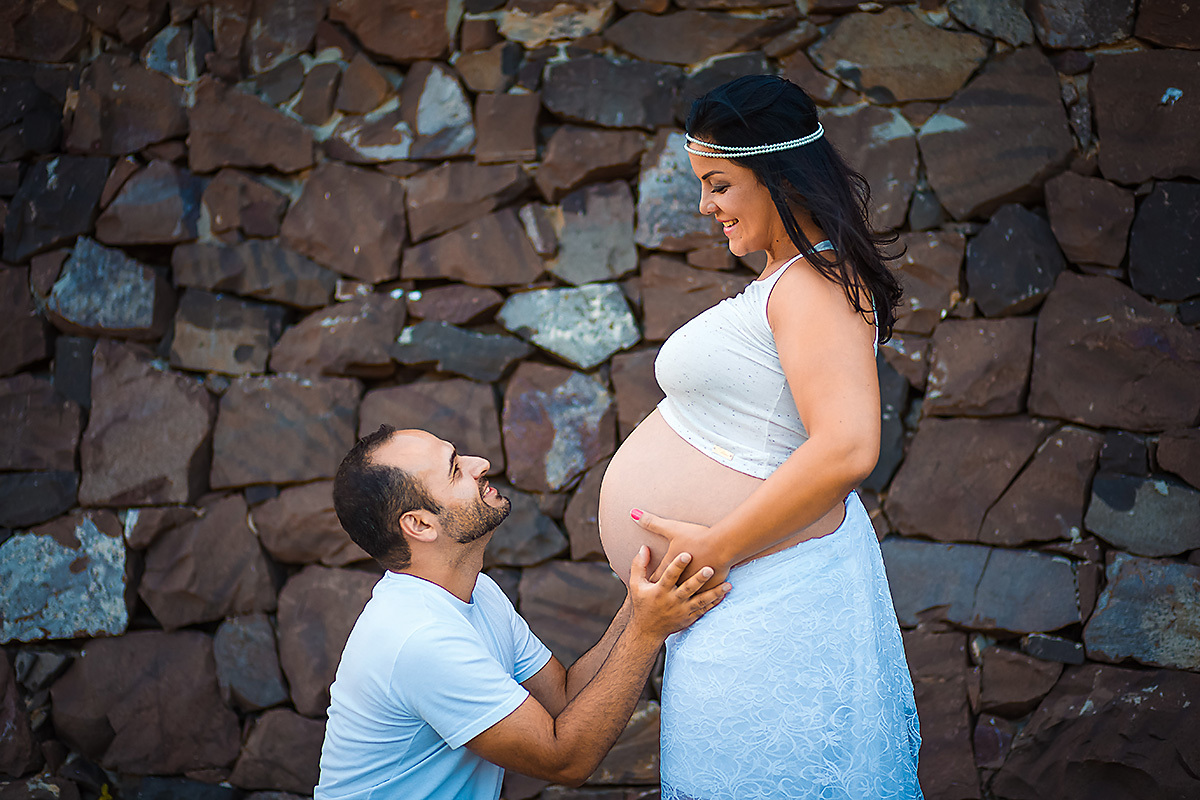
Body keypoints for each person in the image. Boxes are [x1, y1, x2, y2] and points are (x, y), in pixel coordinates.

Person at [596, 75, 923, 799]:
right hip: (746, 600)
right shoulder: (788, 280)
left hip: (771, 596)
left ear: (775, 175)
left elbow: (847, 447)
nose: (705, 206)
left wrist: (714, 548)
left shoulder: (810, 283)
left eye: (719, 183)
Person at [314, 425, 730, 800]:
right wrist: (647, 631)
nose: (482, 464)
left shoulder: (477, 592)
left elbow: (563, 698)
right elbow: (564, 761)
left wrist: (643, 599)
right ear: (420, 525)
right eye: (456, 469)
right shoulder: (419, 638)